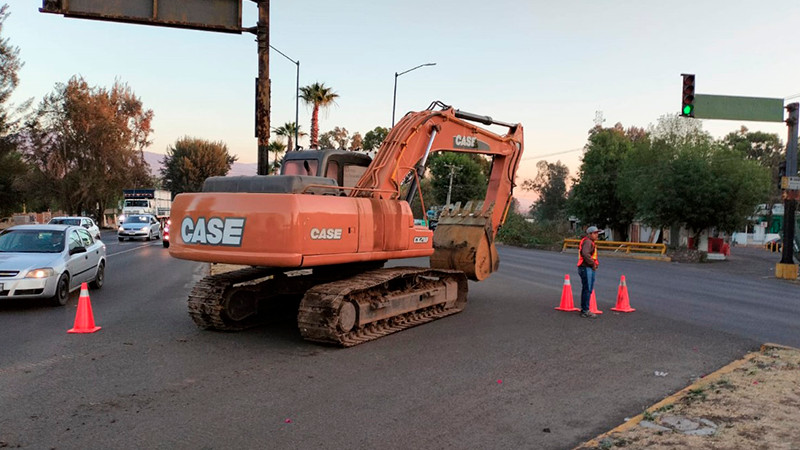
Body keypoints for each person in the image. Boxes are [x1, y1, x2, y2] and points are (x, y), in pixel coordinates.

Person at [577, 226, 602, 318]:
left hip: (586, 267)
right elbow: (585, 254)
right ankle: (585, 310)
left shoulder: (589, 242)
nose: (597, 235)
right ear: (590, 234)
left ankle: (584, 309)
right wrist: (593, 264)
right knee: (587, 289)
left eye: (597, 233)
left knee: (587, 289)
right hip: (586, 267)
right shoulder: (588, 242)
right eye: (595, 233)